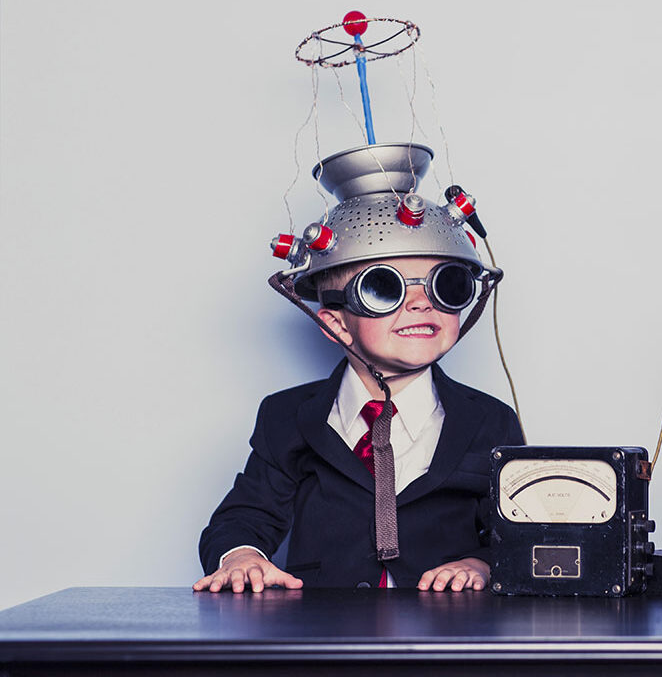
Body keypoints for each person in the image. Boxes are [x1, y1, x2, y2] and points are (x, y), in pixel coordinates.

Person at [195, 143, 522, 594]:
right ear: (334, 324)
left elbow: (520, 532)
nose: (420, 302)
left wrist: (482, 564)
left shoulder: (490, 419)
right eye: (384, 288)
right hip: (324, 641)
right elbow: (243, 517)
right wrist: (243, 557)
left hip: (445, 641)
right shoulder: (287, 416)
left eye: (445, 284)